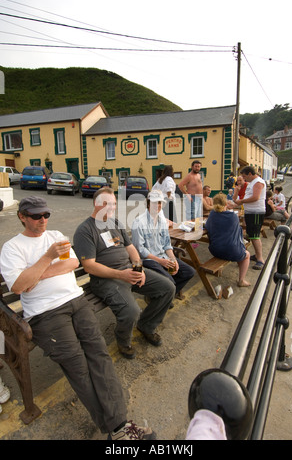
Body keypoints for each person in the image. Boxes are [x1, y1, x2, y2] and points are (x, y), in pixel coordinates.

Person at [0, 196, 155, 440]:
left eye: (46, 215)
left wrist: (37, 275)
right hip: (45, 314)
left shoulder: (55, 235)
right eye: (36, 216)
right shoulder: (13, 248)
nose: (42, 220)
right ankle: (119, 428)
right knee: (79, 368)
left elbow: (72, 263)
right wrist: (47, 258)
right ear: (22, 217)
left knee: (99, 355)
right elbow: (19, 286)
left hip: (76, 301)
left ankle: (119, 426)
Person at [73, 187, 175, 360]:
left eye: (113, 203)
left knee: (168, 288)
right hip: (106, 280)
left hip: (129, 271)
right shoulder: (85, 231)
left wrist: (139, 269)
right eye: (106, 204)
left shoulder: (116, 223)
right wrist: (121, 275)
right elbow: (89, 266)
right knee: (131, 311)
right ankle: (123, 341)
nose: (111, 207)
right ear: (96, 204)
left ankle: (146, 326)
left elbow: (131, 249)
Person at [131, 190, 195, 301]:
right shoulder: (139, 223)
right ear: (148, 203)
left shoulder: (161, 221)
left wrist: (173, 260)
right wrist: (161, 262)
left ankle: (164, 296)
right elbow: (140, 250)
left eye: (160, 202)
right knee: (170, 281)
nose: (158, 205)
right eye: (155, 202)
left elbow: (167, 245)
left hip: (163, 257)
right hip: (149, 260)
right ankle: (163, 295)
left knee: (189, 272)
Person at [205, 194, 250, 287]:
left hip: (214, 250)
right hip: (231, 251)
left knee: (228, 244)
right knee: (247, 254)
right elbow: (238, 232)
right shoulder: (233, 216)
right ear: (226, 204)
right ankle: (241, 280)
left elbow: (207, 227)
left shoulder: (212, 214)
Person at [234, 166, 266, 271]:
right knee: (251, 234)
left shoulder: (258, 182)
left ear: (250, 174)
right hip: (250, 212)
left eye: (244, 176)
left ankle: (260, 259)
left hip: (255, 212)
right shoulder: (252, 183)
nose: (244, 178)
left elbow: (256, 197)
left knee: (255, 236)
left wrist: (242, 201)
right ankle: (257, 255)